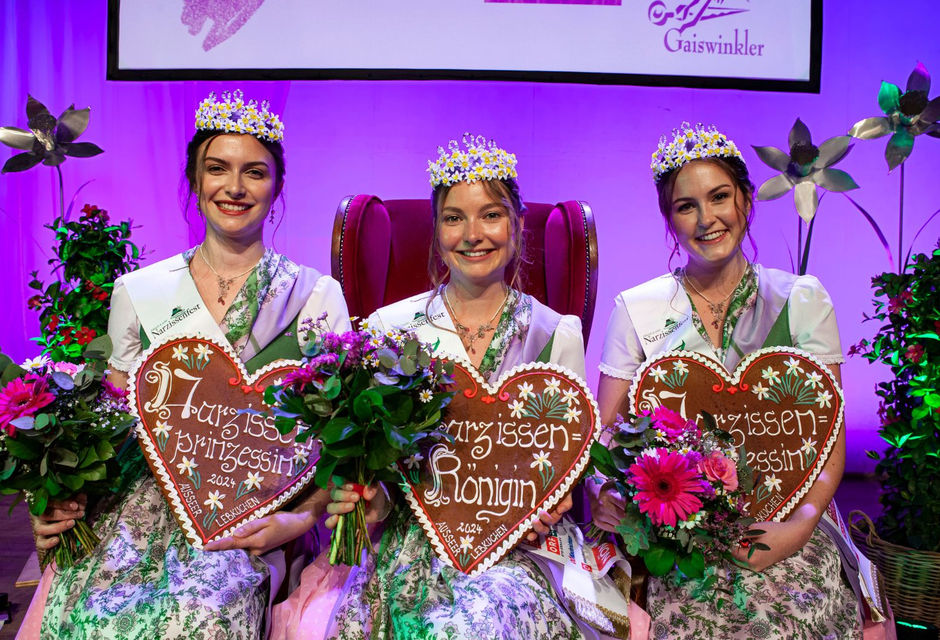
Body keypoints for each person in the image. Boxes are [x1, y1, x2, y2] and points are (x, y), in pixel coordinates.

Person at [270, 135, 639, 640]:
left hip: (522, 547)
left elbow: (565, 463)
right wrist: (371, 500)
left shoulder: (557, 333)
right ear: (436, 232)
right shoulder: (390, 328)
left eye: (490, 214)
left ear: (516, 225)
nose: (473, 234)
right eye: (453, 218)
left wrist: (550, 505)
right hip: (415, 542)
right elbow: (376, 464)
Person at [21, 91, 352, 640]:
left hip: (253, 505)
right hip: (144, 507)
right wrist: (61, 498)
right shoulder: (140, 291)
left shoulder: (315, 295)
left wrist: (301, 518)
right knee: (93, 615)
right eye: (216, 169)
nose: (235, 187)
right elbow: (118, 429)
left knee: (202, 615)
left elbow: (334, 434)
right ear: (195, 182)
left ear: (278, 187)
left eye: (255, 172)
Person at [589, 123, 889, 639]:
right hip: (675, 533)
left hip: (787, 515)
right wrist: (604, 493)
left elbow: (830, 445)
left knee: (795, 614)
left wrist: (798, 527)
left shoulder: (802, 301)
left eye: (720, 197)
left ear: (746, 200)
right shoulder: (636, 310)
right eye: (686, 206)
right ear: (670, 221)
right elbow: (606, 440)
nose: (707, 219)